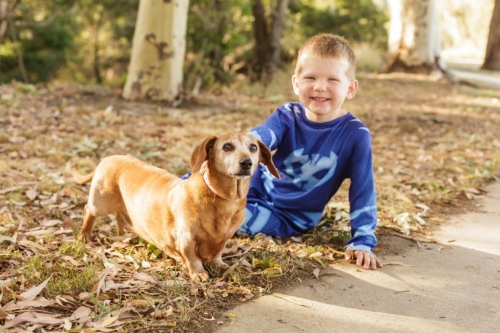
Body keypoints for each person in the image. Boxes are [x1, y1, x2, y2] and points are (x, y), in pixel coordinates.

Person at [239, 33, 383, 270]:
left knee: (226, 218)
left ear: (351, 88)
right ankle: (173, 195)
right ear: (296, 83)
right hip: (257, 188)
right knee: (200, 181)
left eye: (333, 80)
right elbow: (265, 136)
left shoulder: (355, 135)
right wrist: (246, 142)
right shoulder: (287, 115)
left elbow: (363, 190)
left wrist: (363, 240)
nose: (320, 87)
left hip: (292, 214)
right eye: (311, 77)